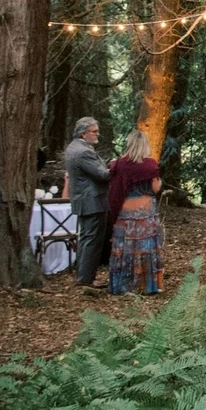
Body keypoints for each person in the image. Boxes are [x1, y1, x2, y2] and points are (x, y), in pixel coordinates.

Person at [106, 130, 163, 296]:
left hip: (125, 213)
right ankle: (145, 285)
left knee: (125, 248)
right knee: (145, 248)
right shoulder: (150, 165)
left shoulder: (119, 164)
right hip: (145, 212)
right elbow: (155, 188)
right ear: (145, 144)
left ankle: (123, 285)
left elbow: (114, 189)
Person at [64, 117, 111, 288]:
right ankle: (86, 278)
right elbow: (102, 175)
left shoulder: (73, 147)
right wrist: (117, 167)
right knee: (92, 240)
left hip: (83, 199)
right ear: (84, 133)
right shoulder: (84, 152)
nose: (97, 134)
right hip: (92, 201)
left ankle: (84, 275)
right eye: (94, 131)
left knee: (86, 238)